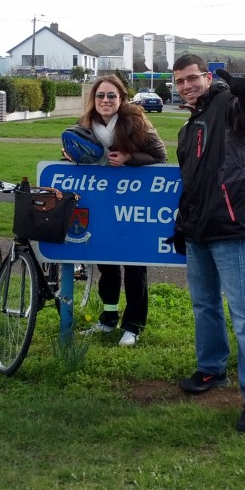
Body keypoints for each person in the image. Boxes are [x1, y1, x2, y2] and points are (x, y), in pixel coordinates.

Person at [170, 55, 245, 433]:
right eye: (180, 81)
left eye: (192, 78)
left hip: (229, 226)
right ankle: (212, 369)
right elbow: (191, 183)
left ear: (207, 77)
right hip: (196, 229)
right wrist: (183, 226)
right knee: (204, 305)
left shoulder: (227, 105)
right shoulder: (188, 126)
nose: (186, 86)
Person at [62, 75, 167, 347]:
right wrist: (70, 157)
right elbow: (82, 156)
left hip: (134, 203)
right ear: (93, 99)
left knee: (134, 265)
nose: (105, 101)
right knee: (106, 263)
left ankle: (133, 325)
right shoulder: (84, 125)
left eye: (111, 96)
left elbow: (161, 156)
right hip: (101, 202)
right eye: (100, 96)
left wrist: (129, 158)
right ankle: (108, 320)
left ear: (121, 99)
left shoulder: (136, 121)